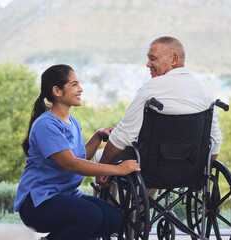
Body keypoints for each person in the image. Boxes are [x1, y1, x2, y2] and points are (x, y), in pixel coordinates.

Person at [13, 64, 140, 240]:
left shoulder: (72, 121)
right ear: (57, 91)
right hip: (38, 202)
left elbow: (79, 156)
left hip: (66, 195)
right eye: (74, 85)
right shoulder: (46, 125)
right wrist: (117, 170)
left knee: (112, 219)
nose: (80, 89)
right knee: (91, 216)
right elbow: (71, 163)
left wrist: (97, 137)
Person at [96, 36, 222, 186]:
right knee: (151, 161)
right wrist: (205, 174)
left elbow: (123, 135)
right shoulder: (205, 92)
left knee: (100, 157)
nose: (148, 64)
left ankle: (107, 208)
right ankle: (144, 206)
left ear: (174, 60)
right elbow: (215, 139)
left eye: (153, 59)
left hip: (151, 170)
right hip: (189, 171)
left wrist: (102, 168)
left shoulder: (152, 88)